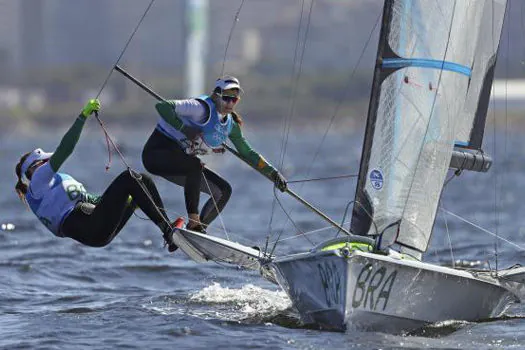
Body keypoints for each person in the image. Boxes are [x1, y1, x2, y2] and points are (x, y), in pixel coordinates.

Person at [14, 99, 179, 252]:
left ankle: (169, 233)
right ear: (34, 168)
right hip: (88, 228)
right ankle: (169, 232)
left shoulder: (56, 184)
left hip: (99, 233)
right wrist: (82, 117)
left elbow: (93, 201)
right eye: (45, 161)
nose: (49, 163)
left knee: (142, 181)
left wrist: (125, 202)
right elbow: (65, 149)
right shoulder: (37, 183)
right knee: (129, 178)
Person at [142, 76, 287, 233]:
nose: (230, 103)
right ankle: (193, 221)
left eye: (234, 100)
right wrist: (184, 128)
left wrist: (273, 173)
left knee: (224, 190)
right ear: (216, 95)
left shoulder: (230, 125)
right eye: (226, 98)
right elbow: (163, 106)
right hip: (155, 155)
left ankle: (196, 232)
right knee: (195, 165)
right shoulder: (199, 107)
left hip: (181, 162)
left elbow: (247, 152)